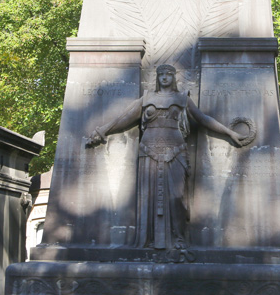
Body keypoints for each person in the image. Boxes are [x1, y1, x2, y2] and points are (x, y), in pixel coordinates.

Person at [86, 64, 251, 249]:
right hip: (148, 150)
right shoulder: (147, 98)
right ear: (157, 77)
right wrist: (103, 130)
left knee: (177, 196)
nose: (164, 77)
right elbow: (124, 118)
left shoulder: (182, 98)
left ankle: (178, 238)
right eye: (161, 74)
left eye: (168, 74)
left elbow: (203, 119)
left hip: (176, 150)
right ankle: (148, 240)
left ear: (174, 77)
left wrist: (229, 133)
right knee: (148, 196)